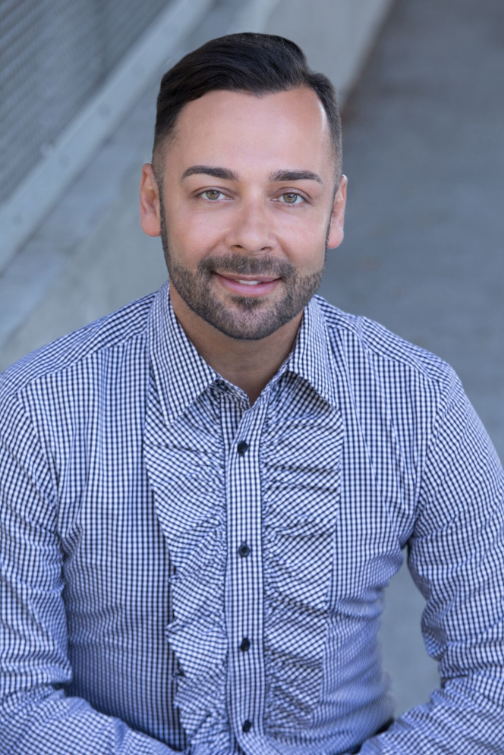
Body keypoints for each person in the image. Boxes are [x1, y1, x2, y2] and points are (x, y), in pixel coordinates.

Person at [0, 31, 503, 755]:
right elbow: (13, 693)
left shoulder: (418, 403)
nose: (253, 236)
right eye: (213, 191)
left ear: (334, 212)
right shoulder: (34, 412)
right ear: (152, 201)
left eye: (291, 195)